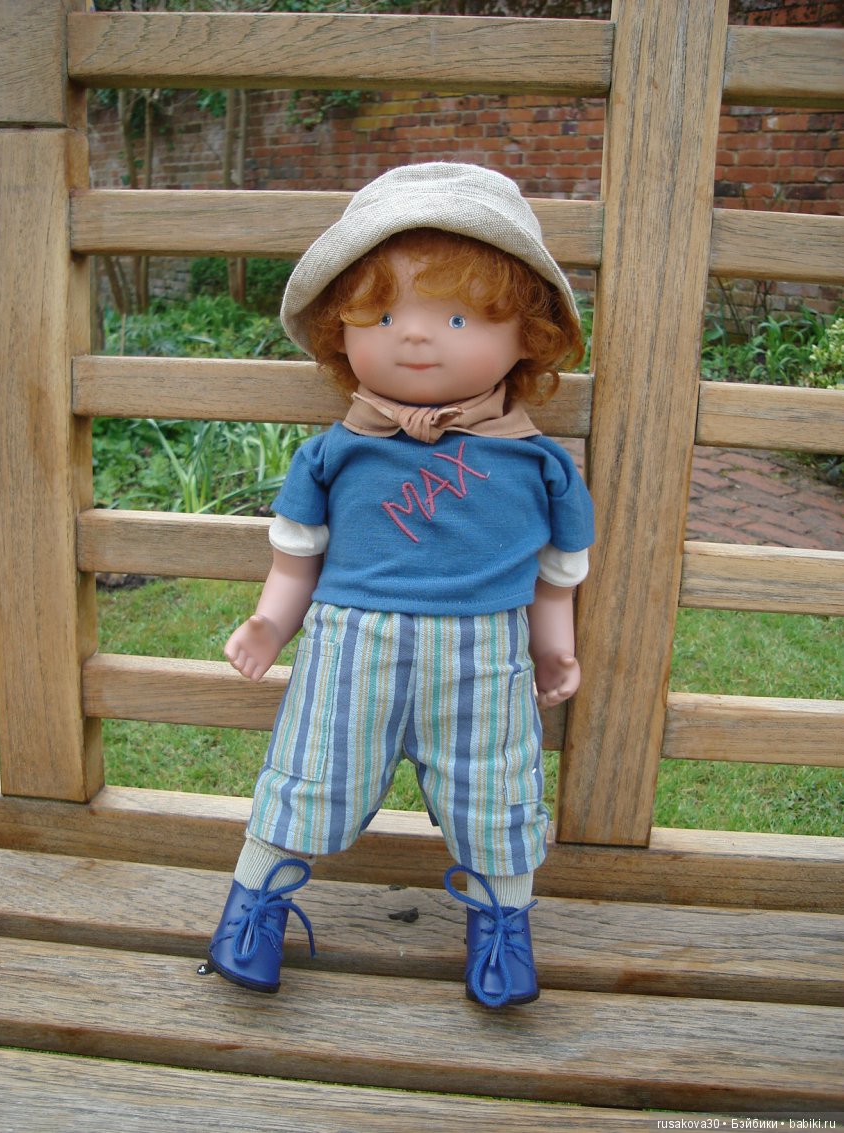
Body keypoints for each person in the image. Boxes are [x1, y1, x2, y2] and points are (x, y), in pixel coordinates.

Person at [206, 163, 594, 1008]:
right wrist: (271, 622)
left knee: (496, 787)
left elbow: (556, 573)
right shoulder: (335, 452)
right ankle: (252, 908)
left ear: (527, 335)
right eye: (382, 317)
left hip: (484, 654)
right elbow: (297, 555)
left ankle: (502, 926)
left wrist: (554, 645)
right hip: (351, 645)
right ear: (339, 331)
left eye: (458, 318)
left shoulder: (537, 462)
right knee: (312, 768)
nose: (416, 339)